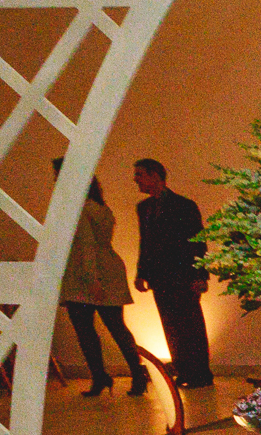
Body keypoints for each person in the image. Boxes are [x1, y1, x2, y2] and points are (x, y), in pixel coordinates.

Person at [55, 158, 147, 398]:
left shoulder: (79, 208)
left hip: (87, 276)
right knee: (117, 328)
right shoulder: (99, 206)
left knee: (88, 331)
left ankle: (104, 376)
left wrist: (90, 278)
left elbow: (86, 245)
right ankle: (135, 374)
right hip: (106, 270)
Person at [133, 158, 213, 388]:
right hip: (161, 277)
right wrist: (142, 272)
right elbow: (145, 242)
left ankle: (200, 372)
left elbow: (198, 242)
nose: (135, 179)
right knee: (170, 325)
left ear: (155, 175)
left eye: (140, 174)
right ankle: (183, 370)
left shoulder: (184, 205)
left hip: (184, 275)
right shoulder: (144, 208)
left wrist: (200, 275)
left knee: (191, 325)